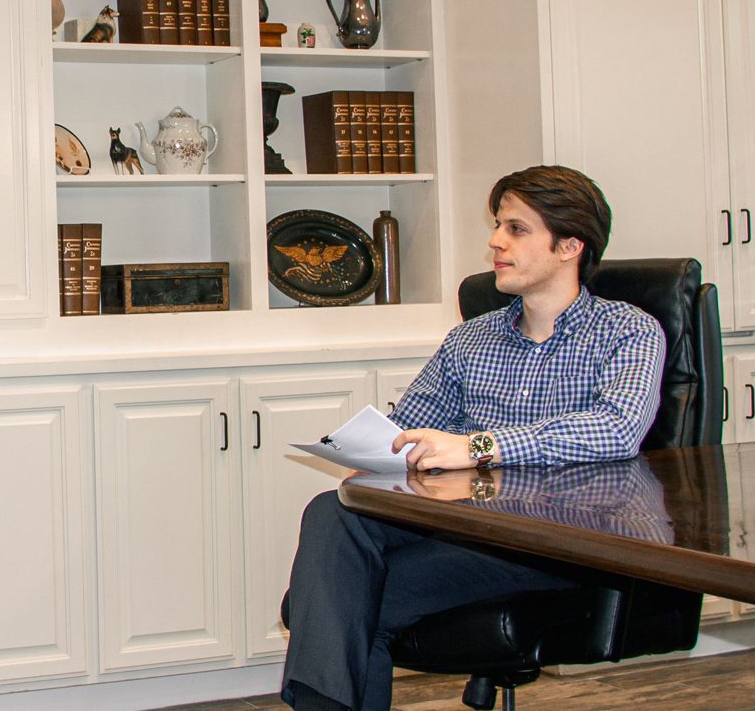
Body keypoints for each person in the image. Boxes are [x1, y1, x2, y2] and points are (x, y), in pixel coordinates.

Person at [281, 165, 666, 711]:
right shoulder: (472, 338)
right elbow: (409, 430)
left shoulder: (628, 330)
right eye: (497, 226)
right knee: (333, 511)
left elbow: (616, 428)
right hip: (464, 531)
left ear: (569, 245)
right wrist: (376, 458)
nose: (495, 242)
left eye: (516, 229)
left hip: (556, 543)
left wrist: (479, 446)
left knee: (326, 607)